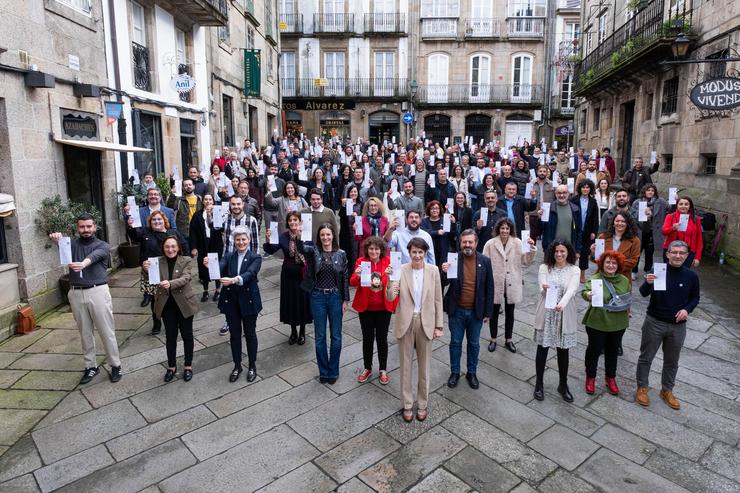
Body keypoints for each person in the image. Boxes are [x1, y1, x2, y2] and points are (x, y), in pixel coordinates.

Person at [49, 215, 122, 384]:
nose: (86, 230)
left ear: (94, 227)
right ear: (78, 228)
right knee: (85, 333)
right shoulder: (72, 244)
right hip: (75, 292)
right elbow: (63, 248)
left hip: (97, 291)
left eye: (89, 226)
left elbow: (95, 256)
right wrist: (57, 240)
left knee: (106, 331)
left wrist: (83, 263)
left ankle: (115, 365)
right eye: (82, 227)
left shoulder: (103, 245)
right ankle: (90, 367)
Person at [635, 240, 700, 410]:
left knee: (672, 361)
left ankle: (667, 390)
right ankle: (642, 387)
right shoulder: (658, 270)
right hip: (655, 321)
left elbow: (695, 298)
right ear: (668, 254)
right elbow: (642, 293)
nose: (678, 255)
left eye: (682, 253)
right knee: (646, 357)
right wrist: (648, 282)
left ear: (686, 256)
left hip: (678, 325)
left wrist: (687, 310)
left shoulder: (691, 276)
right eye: (675, 252)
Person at [387, 238, 444, 422]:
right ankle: (408, 404)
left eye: (420, 252)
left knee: (424, 367)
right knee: (405, 367)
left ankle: (422, 403)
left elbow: (437, 299)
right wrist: (389, 280)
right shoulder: (401, 269)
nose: (417, 256)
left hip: (425, 322)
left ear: (425, 253)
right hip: (406, 322)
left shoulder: (433, 271)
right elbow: (390, 297)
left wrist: (439, 325)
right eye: (414, 252)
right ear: (409, 252)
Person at [207, 226, 262, 382]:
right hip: (231, 301)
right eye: (238, 239)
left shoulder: (255, 257)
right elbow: (218, 270)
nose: (241, 242)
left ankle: (252, 365)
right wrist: (210, 265)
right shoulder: (229, 256)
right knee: (234, 335)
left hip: (249, 300)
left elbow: (250, 273)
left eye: (244, 239)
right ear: (233, 241)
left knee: (250, 334)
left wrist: (234, 280)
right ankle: (237, 365)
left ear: (249, 240)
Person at [298, 223, 350, 384]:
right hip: (318, 297)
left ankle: (333, 370)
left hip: (335, 297)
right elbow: (302, 249)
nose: (326, 238)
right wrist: (299, 234)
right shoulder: (314, 252)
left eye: (328, 234)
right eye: (322, 235)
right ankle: (323, 371)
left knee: (336, 336)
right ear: (319, 238)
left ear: (333, 236)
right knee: (320, 336)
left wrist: (345, 299)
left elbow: (345, 278)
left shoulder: (341, 254)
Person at [442, 229, 494, 389]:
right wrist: (443, 271)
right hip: (456, 310)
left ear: (476, 243)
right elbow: (444, 283)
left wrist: (488, 312)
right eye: (464, 242)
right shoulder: (453, 259)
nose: (467, 245)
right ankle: (455, 372)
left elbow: (490, 287)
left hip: (476, 312)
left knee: (474, 344)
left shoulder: (485, 261)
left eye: (470, 242)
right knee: (455, 342)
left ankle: (472, 372)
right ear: (460, 242)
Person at [533, 240, 581, 402]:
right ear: (552, 253)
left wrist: (561, 304)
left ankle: (563, 384)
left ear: (568, 253)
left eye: (563, 251)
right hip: (547, 310)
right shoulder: (544, 267)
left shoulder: (574, 269)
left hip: (564, 311)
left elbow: (572, 289)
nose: (559, 255)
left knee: (563, 350)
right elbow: (541, 287)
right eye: (556, 252)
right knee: (542, 348)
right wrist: (545, 289)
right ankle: (539, 383)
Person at [147, 236, 197, 382]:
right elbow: (152, 279)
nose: (170, 249)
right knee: (170, 337)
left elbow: (186, 277)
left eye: (173, 246)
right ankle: (171, 366)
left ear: (178, 247)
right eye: (167, 247)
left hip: (184, 305)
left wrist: (170, 283)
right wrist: (146, 269)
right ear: (163, 248)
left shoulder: (186, 260)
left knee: (187, 336)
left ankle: (188, 366)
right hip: (167, 306)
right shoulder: (157, 261)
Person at [482, 218, 536, 353]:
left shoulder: (518, 242)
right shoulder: (490, 244)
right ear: (498, 229)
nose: (505, 231)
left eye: (507, 228)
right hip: (495, 282)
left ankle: (508, 339)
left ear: (511, 230)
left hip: (512, 282)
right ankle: (493, 338)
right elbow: (484, 263)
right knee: (493, 312)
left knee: (510, 313)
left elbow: (526, 261)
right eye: (502, 228)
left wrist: (531, 248)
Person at [582, 250, 631, 395]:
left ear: (618, 265)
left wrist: (628, 311)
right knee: (594, 351)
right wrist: (588, 295)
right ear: (602, 264)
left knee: (613, 351)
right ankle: (590, 377)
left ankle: (610, 378)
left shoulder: (624, 280)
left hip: (618, 323)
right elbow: (585, 291)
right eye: (607, 262)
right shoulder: (595, 278)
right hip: (597, 321)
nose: (610, 265)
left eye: (614, 263)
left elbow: (627, 298)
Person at [350, 237, 398, 385]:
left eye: (377, 249)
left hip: (384, 308)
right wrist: (357, 276)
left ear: (381, 250)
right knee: (367, 338)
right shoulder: (361, 262)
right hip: (366, 308)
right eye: (371, 248)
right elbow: (352, 282)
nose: (374, 251)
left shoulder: (389, 262)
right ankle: (367, 368)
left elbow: (396, 284)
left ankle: (383, 369)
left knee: (382, 339)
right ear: (367, 249)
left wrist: (391, 275)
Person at [128, 210, 183, 334]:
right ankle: (157, 323)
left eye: (159, 219)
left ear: (164, 221)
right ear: (150, 222)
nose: (157, 222)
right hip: (151, 271)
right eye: (154, 220)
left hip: (170, 269)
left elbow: (183, 248)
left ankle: (176, 321)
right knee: (156, 300)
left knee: (173, 297)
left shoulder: (172, 233)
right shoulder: (145, 233)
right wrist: (130, 225)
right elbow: (134, 236)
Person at [263, 211, 312, 345]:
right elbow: (271, 250)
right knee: (290, 302)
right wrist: (268, 239)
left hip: (302, 273)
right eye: (290, 220)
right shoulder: (283, 236)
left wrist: (301, 237)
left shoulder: (306, 235)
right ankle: (293, 331)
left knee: (302, 302)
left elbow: (310, 252)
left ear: (300, 222)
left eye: (295, 220)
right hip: (288, 274)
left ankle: (302, 331)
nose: (293, 223)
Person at [189, 193, 224, 302]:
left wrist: (212, 216)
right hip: (202, 244)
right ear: (203, 201)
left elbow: (221, 229)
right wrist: (194, 247)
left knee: (217, 267)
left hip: (216, 243)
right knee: (204, 268)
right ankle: (205, 290)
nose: (208, 201)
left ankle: (218, 290)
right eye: (206, 199)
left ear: (213, 201)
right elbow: (193, 232)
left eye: (210, 199)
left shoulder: (218, 213)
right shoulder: (197, 215)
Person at [630, 184, 668, 275]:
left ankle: (647, 270)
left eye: (652, 190)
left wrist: (674, 199)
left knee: (649, 252)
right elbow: (632, 215)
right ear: (644, 191)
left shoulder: (660, 202)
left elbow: (670, 209)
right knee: (637, 251)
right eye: (648, 190)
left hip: (652, 231)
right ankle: (634, 270)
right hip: (640, 231)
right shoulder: (637, 202)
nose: (650, 192)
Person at [594, 212, 641, 283]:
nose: (619, 223)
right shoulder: (603, 237)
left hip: (622, 278)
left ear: (628, 224)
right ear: (613, 223)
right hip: (603, 277)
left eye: (623, 221)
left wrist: (612, 266)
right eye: (617, 221)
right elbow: (597, 259)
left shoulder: (635, 240)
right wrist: (592, 253)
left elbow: (633, 261)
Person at [661, 196, 703, 268]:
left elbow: (699, 240)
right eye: (681, 204)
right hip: (672, 251)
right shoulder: (670, 216)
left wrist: (697, 257)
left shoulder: (696, 219)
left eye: (686, 204)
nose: (683, 206)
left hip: (688, 252)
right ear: (677, 205)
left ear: (690, 206)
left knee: (684, 274)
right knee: (670, 273)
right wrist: (672, 228)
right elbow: (664, 232)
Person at [572, 179, 600, 283]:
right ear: (580, 188)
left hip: (587, 231)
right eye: (583, 187)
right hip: (575, 230)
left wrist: (594, 231)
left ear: (590, 189)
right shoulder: (574, 200)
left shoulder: (593, 202)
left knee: (584, 253)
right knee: (573, 250)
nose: (585, 189)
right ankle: (571, 272)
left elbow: (595, 218)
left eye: (587, 187)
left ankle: (582, 274)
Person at [542, 185, 583, 253]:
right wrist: (540, 218)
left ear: (568, 194)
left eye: (564, 192)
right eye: (559, 193)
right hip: (552, 249)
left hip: (569, 249)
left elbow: (579, 231)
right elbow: (542, 229)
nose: (561, 195)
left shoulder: (575, 209)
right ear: (555, 194)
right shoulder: (549, 209)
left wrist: (577, 250)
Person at [166, 178, 202, 254]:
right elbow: (169, 207)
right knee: (186, 255)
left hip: (198, 232)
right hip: (183, 232)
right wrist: (172, 195)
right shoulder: (179, 200)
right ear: (183, 187)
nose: (188, 186)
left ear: (193, 186)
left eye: (190, 185)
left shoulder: (200, 199)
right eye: (186, 185)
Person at [421, 200, 455, 274]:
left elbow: (453, 235)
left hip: (442, 251)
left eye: (437, 208)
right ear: (429, 210)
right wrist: (436, 232)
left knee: (441, 273)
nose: (434, 210)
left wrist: (453, 223)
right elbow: (423, 232)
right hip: (429, 250)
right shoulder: (424, 221)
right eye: (432, 208)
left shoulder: (445, 220)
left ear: (440, 210)